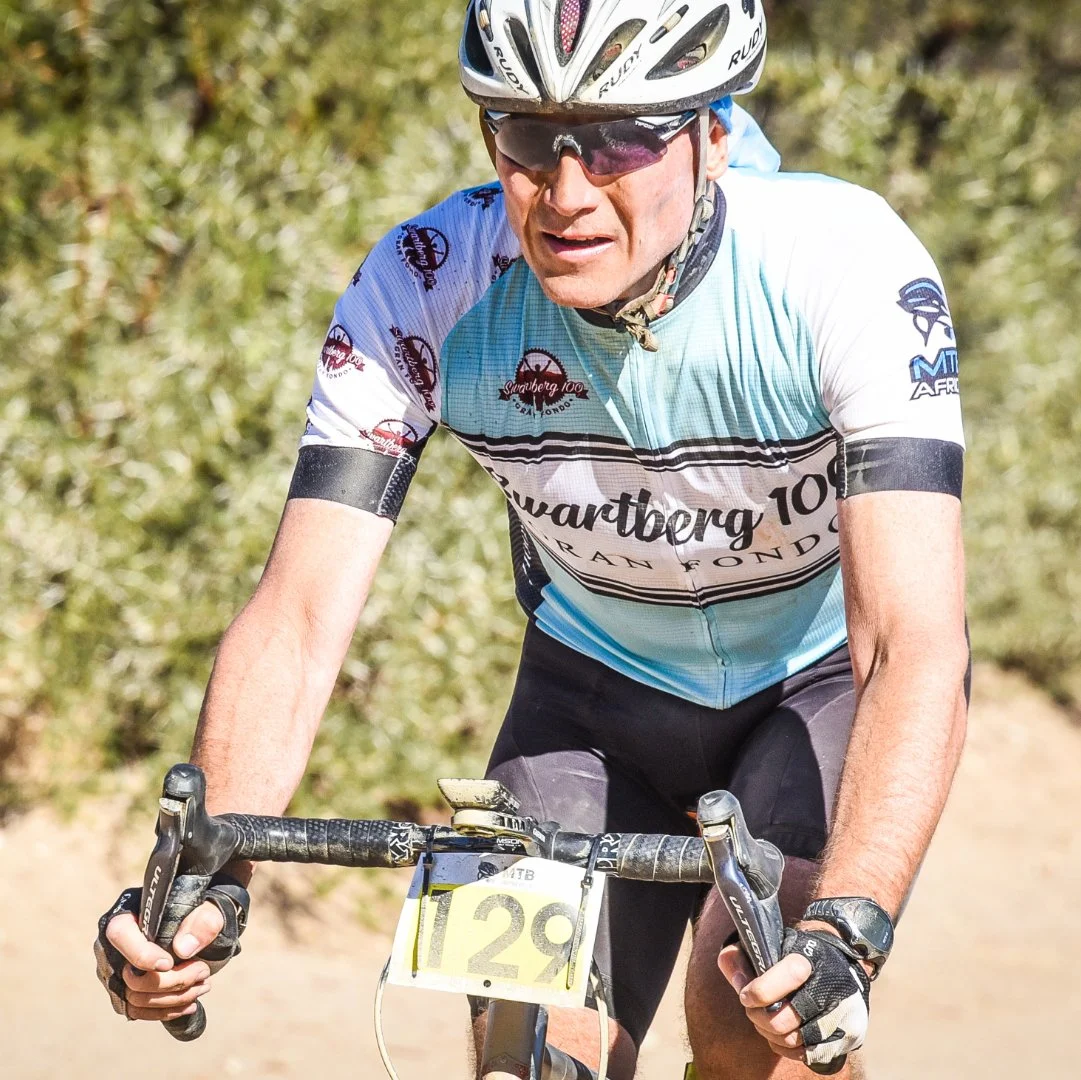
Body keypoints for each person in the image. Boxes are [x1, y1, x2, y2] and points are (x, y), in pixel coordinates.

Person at [95, 2, 969, 1077]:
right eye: (526, 135)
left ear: (715, 129)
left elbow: (912, 646)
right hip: (590, 693)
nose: (566, 194)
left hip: (814, 691)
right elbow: (300, 615)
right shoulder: (423, 281)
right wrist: (199, 877)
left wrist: (851, 926)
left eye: (620, 140)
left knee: (758, 1015)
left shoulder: (841, 263)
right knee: (525, 1054)